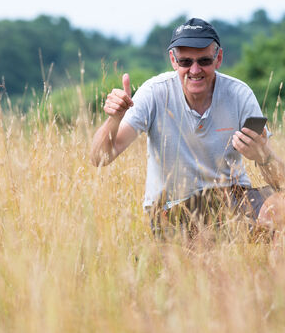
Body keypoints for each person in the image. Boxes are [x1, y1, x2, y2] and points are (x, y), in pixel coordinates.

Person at [90, 18, 285, 238]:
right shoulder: (154, 93)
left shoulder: (240, 94)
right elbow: (99, 158)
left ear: (218, 58)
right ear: (173, 60)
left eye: (204, 60)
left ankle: (267, 265)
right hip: (175, 206)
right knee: (208, 242)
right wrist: (114, 119)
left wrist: (263, 155)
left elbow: (280, 181)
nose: (195, 70)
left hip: (234, 197)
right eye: (185, 62)